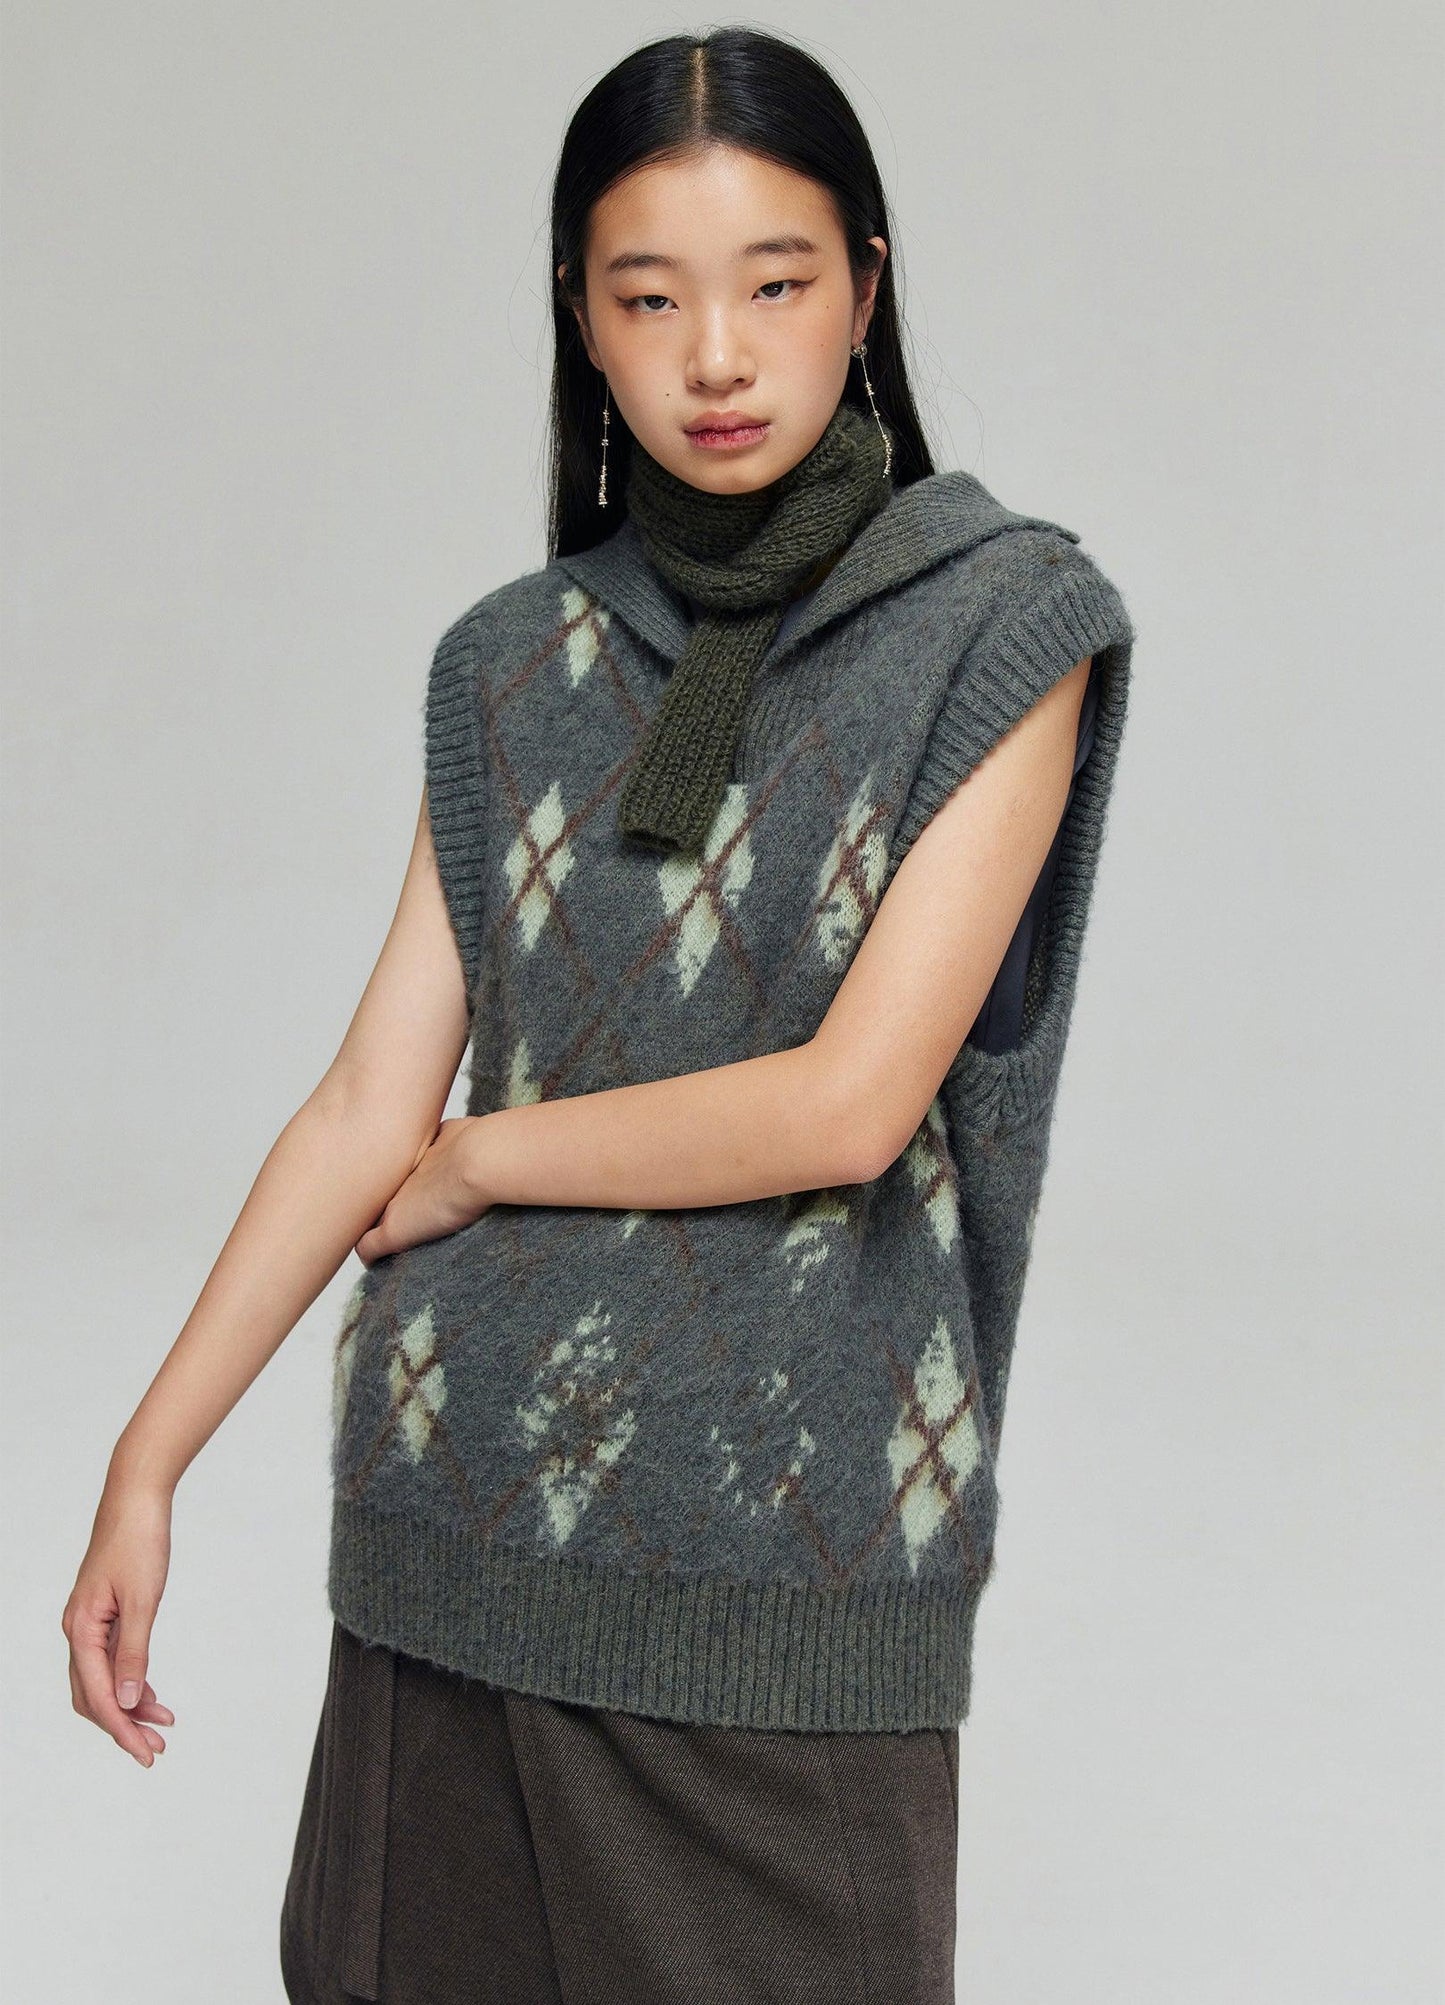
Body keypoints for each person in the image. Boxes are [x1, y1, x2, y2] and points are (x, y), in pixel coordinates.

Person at [61, 26, 1135, 2004]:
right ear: (582, 316)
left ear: (866, 289)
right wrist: (149, 1460)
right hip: (445, 1550)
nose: (715, 353)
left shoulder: (1002, 624)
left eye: (774, 284)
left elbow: (850, 1102)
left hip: (786, 1575)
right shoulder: (512, 664)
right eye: (649, 298)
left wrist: (487, 1155)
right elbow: (361, 1101)